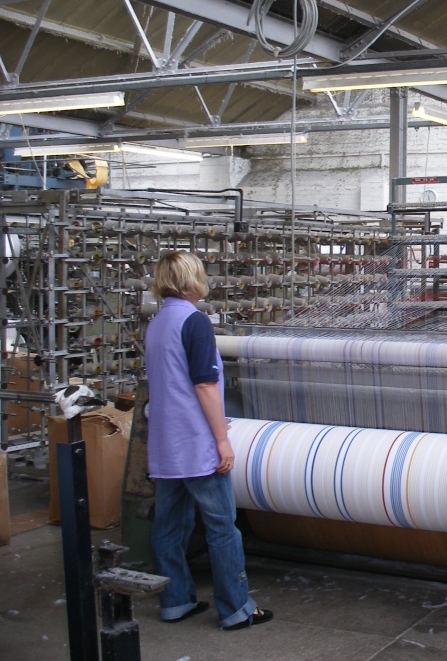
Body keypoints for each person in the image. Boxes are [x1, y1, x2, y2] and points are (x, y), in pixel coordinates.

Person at [145, 250, 273, 630]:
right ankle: (237, 608)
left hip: (166, 444)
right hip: (196, 442)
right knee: (222, 527)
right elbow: (204, 385)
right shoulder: (195, 322)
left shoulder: (156, 324)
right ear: (191, 281)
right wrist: (222, 440)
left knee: (168, 526)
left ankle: (176, 601)